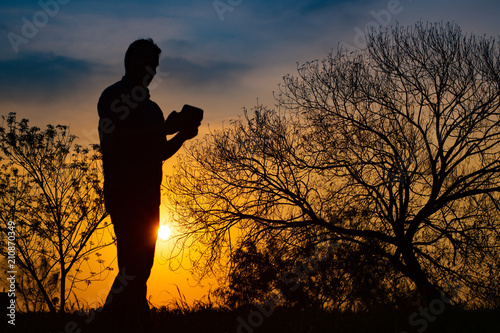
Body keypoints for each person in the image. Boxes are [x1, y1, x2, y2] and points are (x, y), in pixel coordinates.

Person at [96, 38, 202, 332]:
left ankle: (122, 321)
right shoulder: (112, 97)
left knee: (142, 267)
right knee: (133, 265)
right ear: (132, 64)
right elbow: (118, 137)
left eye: (155, 67)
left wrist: (180, 136)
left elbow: (159, 153)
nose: (152, 72)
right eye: (148, 66)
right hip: (124, 192)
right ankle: (124, 322)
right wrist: (164, 129)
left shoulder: (153, 109)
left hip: (149, 197)